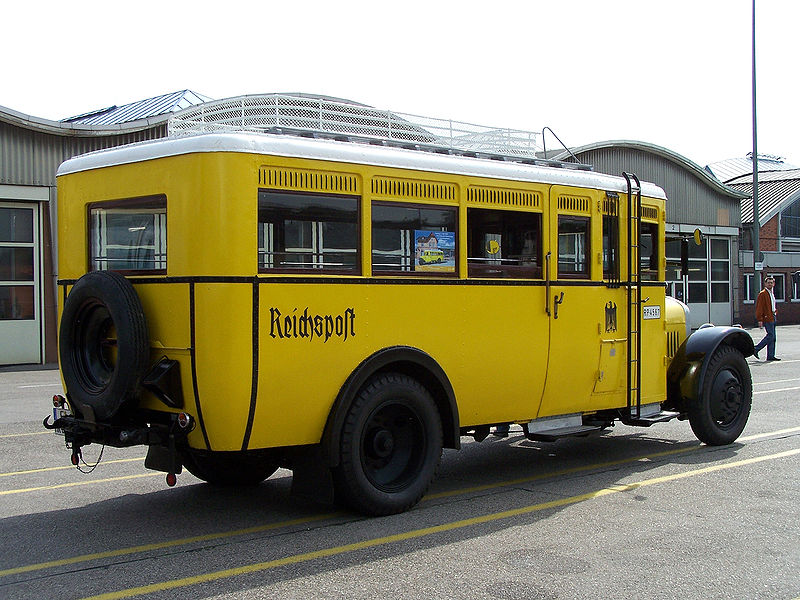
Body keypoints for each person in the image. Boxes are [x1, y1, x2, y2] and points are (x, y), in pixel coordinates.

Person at [753, 275, 780, 361]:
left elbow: (772, 305)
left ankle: (771, 355)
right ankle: (756, 349)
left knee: (773, 337)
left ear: (774, 284)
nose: (770, 284)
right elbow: (759, 307)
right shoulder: (763, 294)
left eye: (771, 283)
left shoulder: (771, 293)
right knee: (770, 336)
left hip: (772, 316)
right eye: (768, 283)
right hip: (767, 317)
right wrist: (760, 319)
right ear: (765, 283)